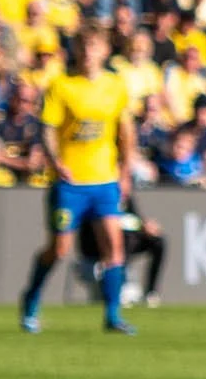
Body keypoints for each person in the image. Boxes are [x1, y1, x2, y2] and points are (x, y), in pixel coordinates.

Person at [20, 32, 138, 335]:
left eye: (94, 45)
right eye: (83, 45)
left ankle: (112, 315)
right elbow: (48, 129)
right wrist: (55, 160)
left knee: (114, 246)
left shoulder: (115, 85)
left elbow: (126, 132)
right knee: (59, 249)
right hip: (70, 182)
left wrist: (126, 172)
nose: (88, 51)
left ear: (105, 50)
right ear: (76, 49)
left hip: (104, 180)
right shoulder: (61, 85)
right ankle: (31, 297)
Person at [74, 193, 168, 309]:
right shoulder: (100, 195)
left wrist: (145, 226)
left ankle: (150, 292)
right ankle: (119, 287)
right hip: (95, 253)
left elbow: (135, 219)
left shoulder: (127, 198)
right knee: (123, 240)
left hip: (122, 248)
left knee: (157, 242)